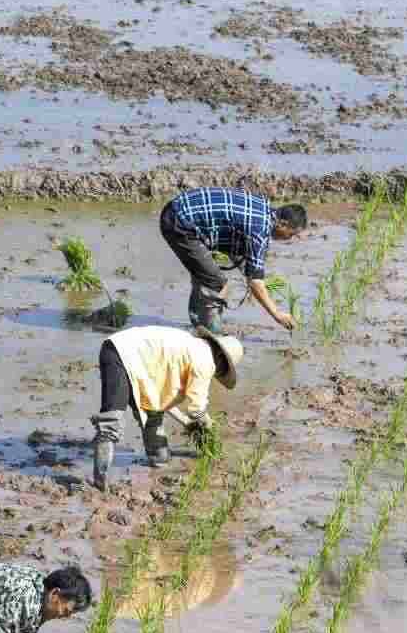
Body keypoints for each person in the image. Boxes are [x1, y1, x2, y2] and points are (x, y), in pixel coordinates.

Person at [90, 324, 244, 489]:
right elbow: (196, 410)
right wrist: (209, 428)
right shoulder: (205, 360)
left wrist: (186, 422)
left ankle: (158, 460)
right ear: (220, 356)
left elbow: (160, 402)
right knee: (111, 422)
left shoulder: (190, 350)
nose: (217, 372)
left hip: (134, 359)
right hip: (119, 353)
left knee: (153, 414)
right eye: (222, 368)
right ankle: (99, 484)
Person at [159, 187, 307, 333]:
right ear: (283, 224)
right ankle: (211, 332)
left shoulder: (263, 207)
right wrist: (277, 314)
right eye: (291, 234)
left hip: (179, 209)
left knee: (206, 274)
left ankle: (198, 323)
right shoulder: (260, 229)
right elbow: (255, 282)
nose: (290, 239)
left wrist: (252, 277)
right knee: (216, 282)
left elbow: (241, 251)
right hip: (179, 223)